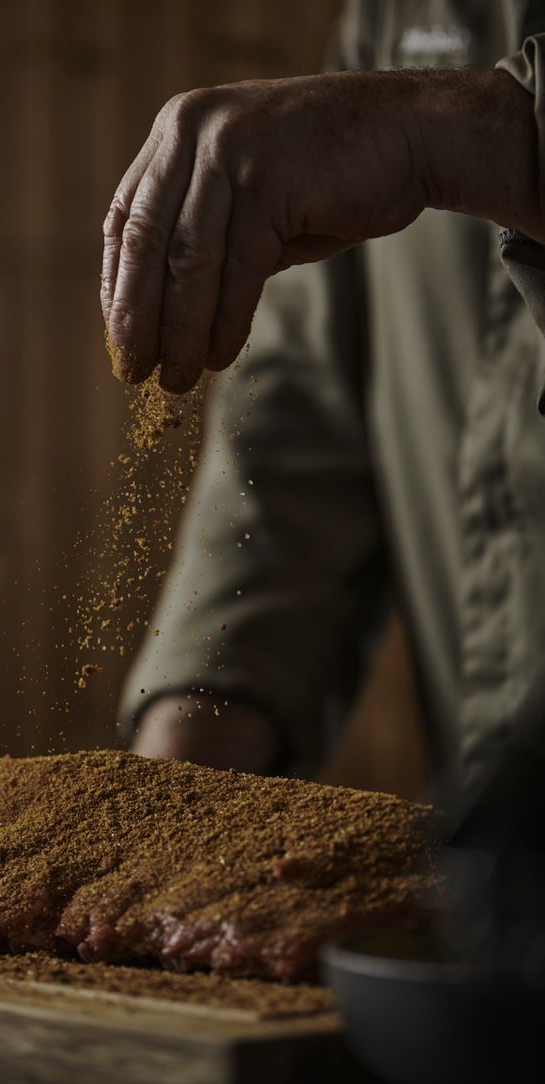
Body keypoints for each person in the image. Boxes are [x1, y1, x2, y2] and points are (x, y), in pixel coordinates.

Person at [102, 1, 545, 808]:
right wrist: (201, 730)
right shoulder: (398, 12)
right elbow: (304, 412)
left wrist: (465, 131)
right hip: (491, 848)